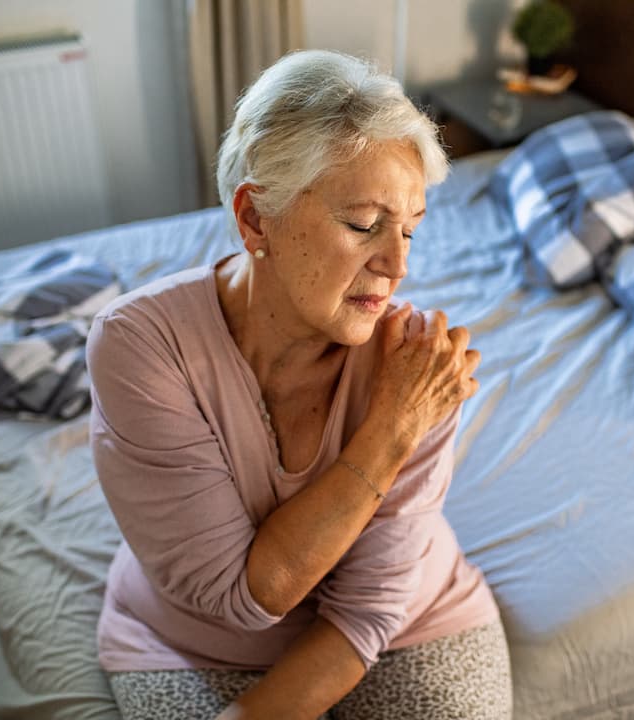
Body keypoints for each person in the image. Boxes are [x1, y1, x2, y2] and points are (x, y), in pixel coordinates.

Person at [86, 49, 512, 720]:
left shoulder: (418, 363)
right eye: (364, 224)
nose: (398, 264)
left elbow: (369, 611)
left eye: (410, 229)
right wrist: (392, 429)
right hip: (197, 644)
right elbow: (241, 597)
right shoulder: (141, 347)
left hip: (408, 621)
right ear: (256, 219)